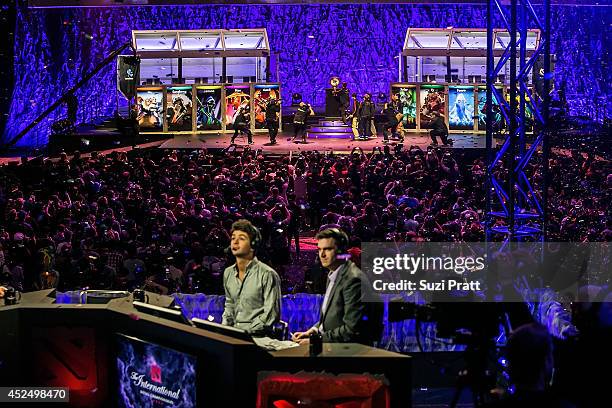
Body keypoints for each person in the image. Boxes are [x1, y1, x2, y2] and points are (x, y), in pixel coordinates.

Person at [291, 228, 382, 345]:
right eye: (319, 249)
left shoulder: (353, 280)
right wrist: (313, 331)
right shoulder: (334, 274)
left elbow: (351, 330)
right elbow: (333, 318)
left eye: (327, 249)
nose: (322, 254)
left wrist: (315, 341)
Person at [221, 219, 281, 335]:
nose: (235, 242)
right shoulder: (228, 273)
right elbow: (229, 305)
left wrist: (245, 332)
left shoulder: (268, 274)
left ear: (253, 244)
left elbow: (271, 315)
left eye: (241, 238)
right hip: (234, 335)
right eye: (233, 238)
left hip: (258, 337)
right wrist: (224, 330)